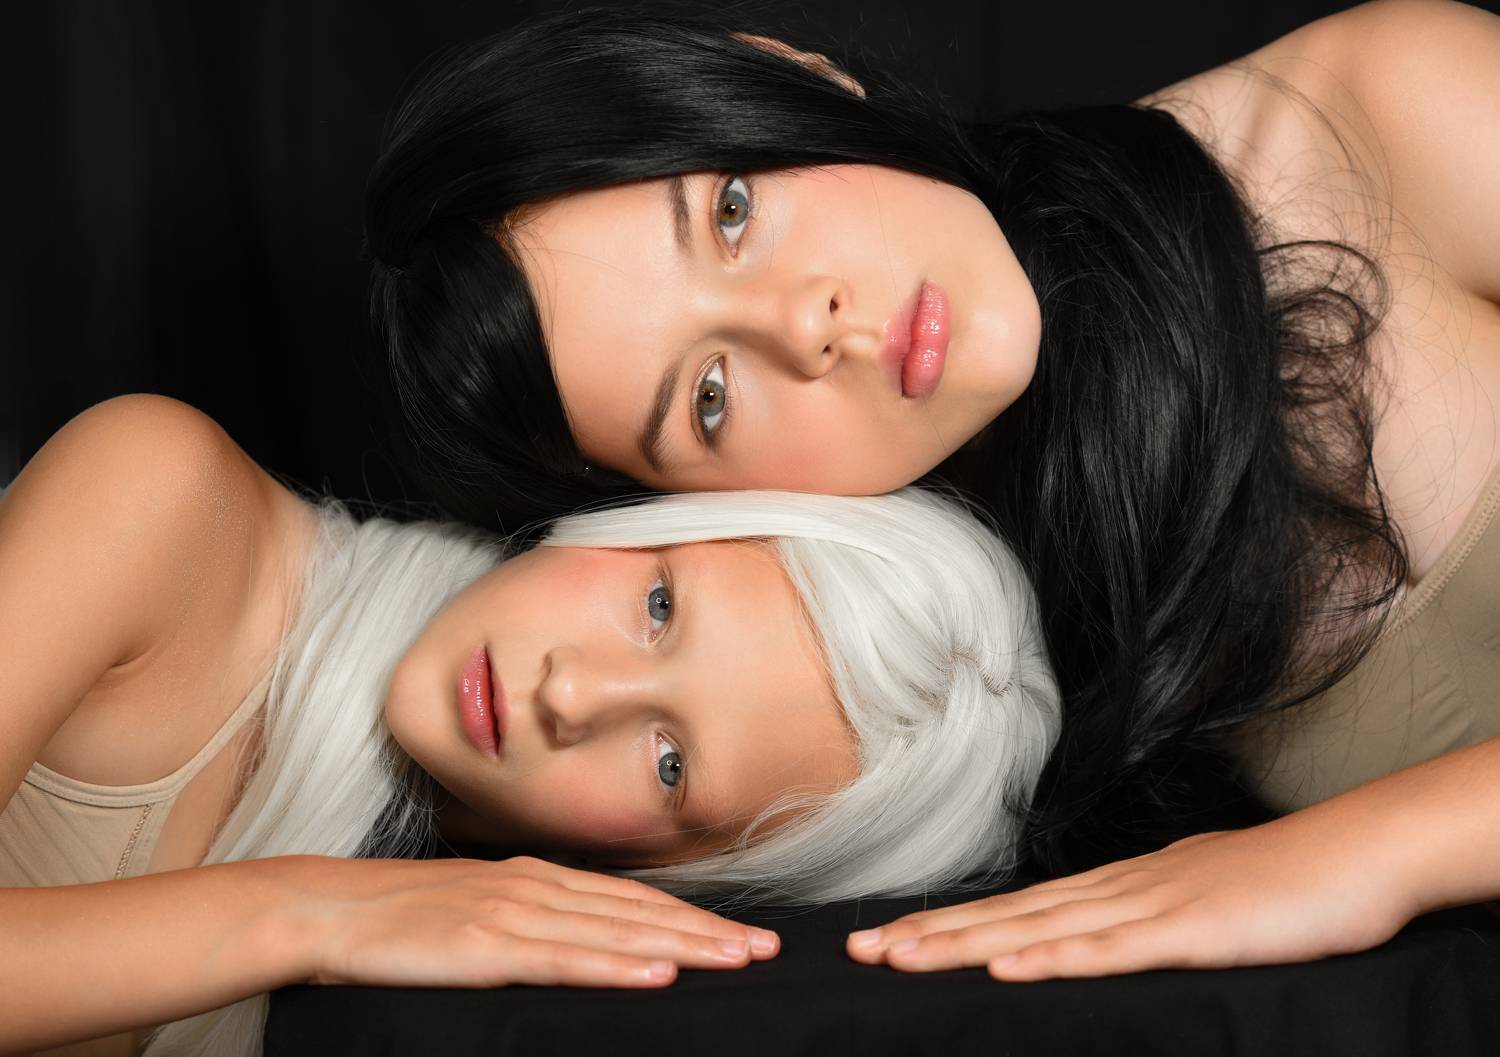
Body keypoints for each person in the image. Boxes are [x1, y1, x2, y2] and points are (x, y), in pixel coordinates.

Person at [362, 0, 1500, 980]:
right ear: (706, 506)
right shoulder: (915, 701)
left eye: (733, 212)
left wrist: (1364, 856)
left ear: (794, 72)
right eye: (708, 397)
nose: (805, 323)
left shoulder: (1372, 120)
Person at [0, 395, 1059, 1056]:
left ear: (677, 869)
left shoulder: (451, 967)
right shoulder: (160, 496)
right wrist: (305, 914)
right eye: (659, 607)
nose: (572, 695)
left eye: (670, 764)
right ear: (643, 519)